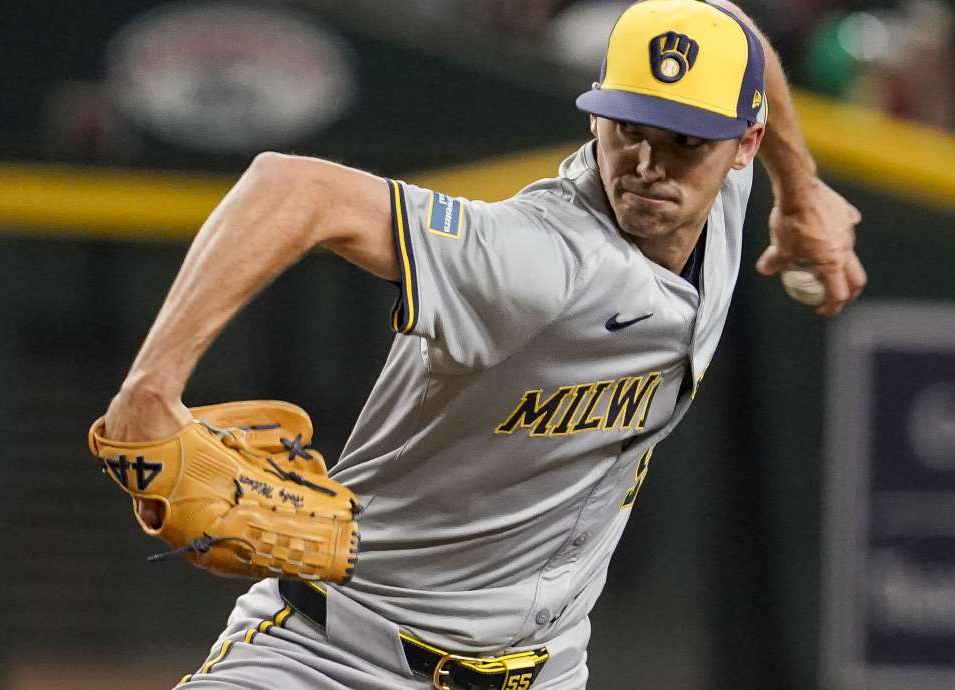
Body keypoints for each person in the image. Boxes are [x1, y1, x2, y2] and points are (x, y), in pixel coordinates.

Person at [98, 1, 865, 688]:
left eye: (686, 142)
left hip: (547, 670)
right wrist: (150, 389)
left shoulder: (721, 199)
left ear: (743, 144)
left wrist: (800, 191)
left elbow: (736, 33)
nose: (648, 165)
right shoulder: (536, 259)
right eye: (628, 127)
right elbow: (291, 187)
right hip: (334, 660)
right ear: (595, 117)